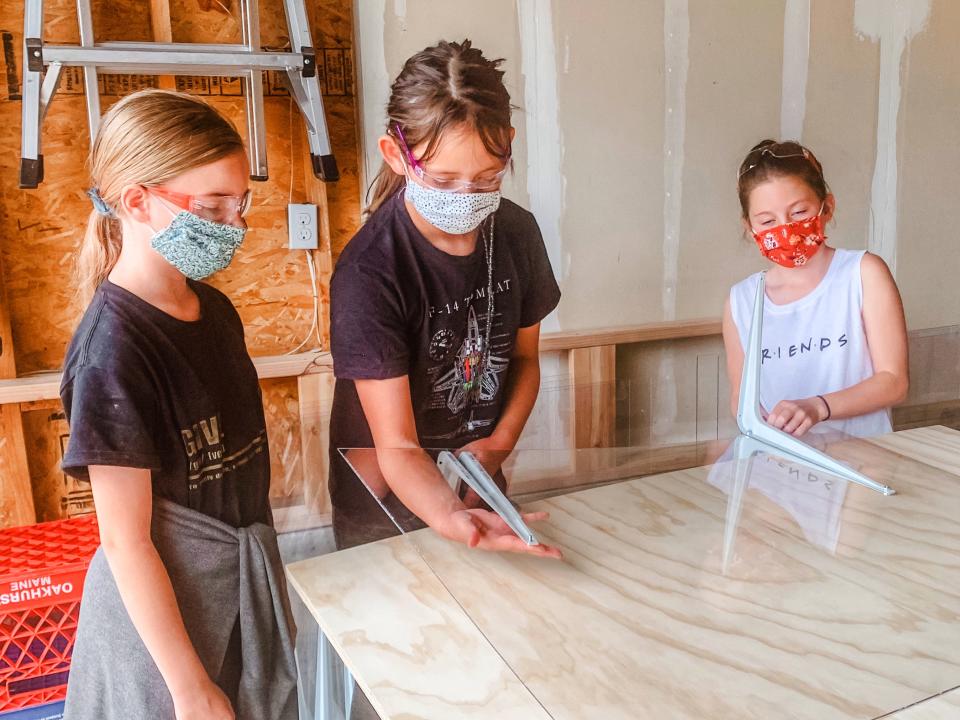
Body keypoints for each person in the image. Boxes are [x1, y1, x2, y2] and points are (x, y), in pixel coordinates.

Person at [60, 89, 296, 720]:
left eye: (240, 202)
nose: (236, 224)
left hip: (238, 590)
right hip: (164, 633)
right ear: (136, 201)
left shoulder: (214, 310)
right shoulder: (113, 351)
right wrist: (189, 689)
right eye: (212, 205)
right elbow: (126, 542)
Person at [328, 39, 562, 558]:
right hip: (385, 507)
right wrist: (454, 516)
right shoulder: (370, 271)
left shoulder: (516, 233)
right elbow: (398, 446)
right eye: (443, 179)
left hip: (479, 482)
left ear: (508, 144)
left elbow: (524, 361)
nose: (466, 197)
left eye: (487, 179)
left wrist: (496, 445)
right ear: (397, 154)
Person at [723, 139, 909, 439]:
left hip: (863, 463)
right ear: (750, 227)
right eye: (767, 220)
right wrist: (760, 423)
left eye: (798, 213)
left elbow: (894, 382)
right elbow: (739, 398)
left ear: (827, 207)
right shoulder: (742, 300)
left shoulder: (862, 274)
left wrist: (818, 407)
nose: (785, 228)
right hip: (780, 468)